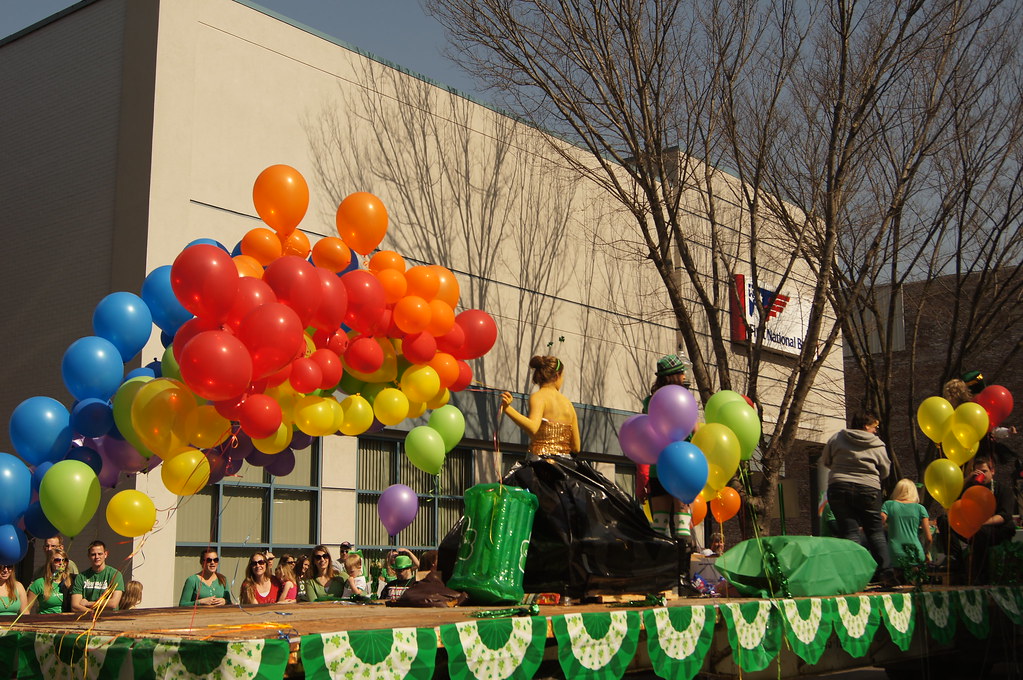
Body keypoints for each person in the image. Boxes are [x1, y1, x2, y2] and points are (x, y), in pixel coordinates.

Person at [445, 354, 677, 599]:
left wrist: (508, 409)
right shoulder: (567, 404)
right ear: (557, 376)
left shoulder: (538, 397)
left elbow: (533, 428)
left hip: (540, 466)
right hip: (568, 466)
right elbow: (576, 444)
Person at [821, 411, 894, 584]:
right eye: (875, 427)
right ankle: (887, 573)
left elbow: (826, 460)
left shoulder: (837, 438)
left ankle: (855, 575)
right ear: (865, 426)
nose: (876, 431)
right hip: (868, 488)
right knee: (875, 531)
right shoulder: (877, 444)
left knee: (849, 532)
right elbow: (885, 470)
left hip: (839, 487)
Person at [947, 453, 1016, 583]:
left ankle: (978, 576)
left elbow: (1005, 515)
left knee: (980, 532)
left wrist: (982, 523)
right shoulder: (971, 489)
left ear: (992, 471)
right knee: (944, 521)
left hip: (997, 529)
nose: (981, 475)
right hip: (973, 527)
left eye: (984, 471)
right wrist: (967, 479)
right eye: (978, 471)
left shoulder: (1003, 489)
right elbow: (953, 501)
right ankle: (957, 560)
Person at [881, 479, 931, 573]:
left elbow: (879, 523)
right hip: (916, 554)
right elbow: (929, 538)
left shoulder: (888, 505)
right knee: (913, 585)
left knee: (897, 585)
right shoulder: (920, 508)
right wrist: (926, 552)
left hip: (895, 554)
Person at [70, 541, 124, 612]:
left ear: (106, 554)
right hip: (87, 619)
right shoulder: (81, 577)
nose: (97, 557)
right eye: (93, 554)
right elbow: (75, 606)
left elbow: (113, 603)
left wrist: (88, 603)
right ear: (88, 556)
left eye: (100, 554)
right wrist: (93, 614)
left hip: (110, 619)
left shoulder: (115, 574)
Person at [27, 548, 73, 614]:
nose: (61, 563)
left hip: (65, 621)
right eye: (57, 560)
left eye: (64, 560)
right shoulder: (39, 583)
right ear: (50, 562)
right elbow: (26, 610)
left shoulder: (71, 581)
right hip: (45, 620)